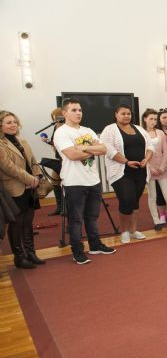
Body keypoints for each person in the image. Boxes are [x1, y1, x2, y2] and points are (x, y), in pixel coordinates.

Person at [53, 99, 116, 264]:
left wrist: (82, 148)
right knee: (76, 219)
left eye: (80, 110)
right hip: (74, 182)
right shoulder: (62, 132)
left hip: (93, 180)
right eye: (74, 110)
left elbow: (103, 149)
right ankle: (78, 251)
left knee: (92, 216)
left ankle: (95, 245)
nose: (78, 113)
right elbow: (72, 155)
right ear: (65, 113)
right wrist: (91, 150)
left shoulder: (87, 130)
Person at [101, 104, 154, 244]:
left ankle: (133, 230)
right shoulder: (110, 129)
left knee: (135, 201)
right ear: (116, 115)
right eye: (123, 113)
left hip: (141, 171)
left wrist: (146, 159)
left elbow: (150, 147)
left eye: (129, 114)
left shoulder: (140, 129)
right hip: (121, 172)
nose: (126, 116)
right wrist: (126, 162)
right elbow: (108, 149)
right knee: (126, 200)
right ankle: (124, 231)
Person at [0, 111, 45, 268]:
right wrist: (29, 179)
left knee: (28, 221)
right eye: (8, 122)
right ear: (1, 125)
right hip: (14, 188)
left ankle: (31, 253)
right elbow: (8, 167)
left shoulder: (22, 141)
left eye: (15, 122)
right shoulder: (1, 143)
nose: (13, 125)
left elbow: (33, 161)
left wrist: (37, 177)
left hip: (30, 187)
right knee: (17, 223)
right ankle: (19, 257)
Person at [140, 109, 167, 231]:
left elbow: (165, 152)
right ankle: (157, 221)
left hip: (162, 169)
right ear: (145, 119)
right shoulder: (141, 133)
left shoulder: (160, 133)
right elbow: (142, 154)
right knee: (152, 197)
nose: (153, 121)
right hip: (150, 169)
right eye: (150, 119)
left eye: (154, 119)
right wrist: (151, 168)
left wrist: (163, 167)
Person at [40, 107, 64, 216]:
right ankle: (59, 207)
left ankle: (65, 207)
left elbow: (61, 144)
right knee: (55, 183)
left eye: (57, 117)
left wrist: (49, 141)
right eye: (54, 117)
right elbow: (55, 143)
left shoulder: (66, 128)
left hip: (67, 161)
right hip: (59, 159)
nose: (55, 119)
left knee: (67, 184)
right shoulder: (56, 127)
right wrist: (48, 141)